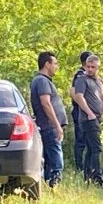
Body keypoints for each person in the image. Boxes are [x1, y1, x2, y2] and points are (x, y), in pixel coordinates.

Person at [29, 51, 68, 188]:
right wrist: (57, 125)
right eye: (55, 63)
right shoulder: (42, 81)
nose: (57, 67)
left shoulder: (42, 81)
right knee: (55, 159)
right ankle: (54, 184)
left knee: (50, 158)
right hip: (49, 127)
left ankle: (50, 184)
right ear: (47, 64)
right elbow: (46, 103)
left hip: (48, 126)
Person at [72, 54, 103, 186]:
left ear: (98, 67)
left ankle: (88, 175)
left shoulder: (100, 82)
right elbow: (79, 96)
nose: (90, 69)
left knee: (90, 148)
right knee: (96, 148)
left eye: (93, 67)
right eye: (88, 66)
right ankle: (97, 177)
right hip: (88, 118)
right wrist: (89, 113)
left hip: (97, 116)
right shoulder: (82, 80)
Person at [70, 50, 92, 174]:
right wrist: (83, 106)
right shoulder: (80, 75)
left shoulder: (89, 75)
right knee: (81, 140)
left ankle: (91, 166)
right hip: (80, 111)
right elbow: (73, 92)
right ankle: (80, 167)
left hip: (89, 112)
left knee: (91, 140)